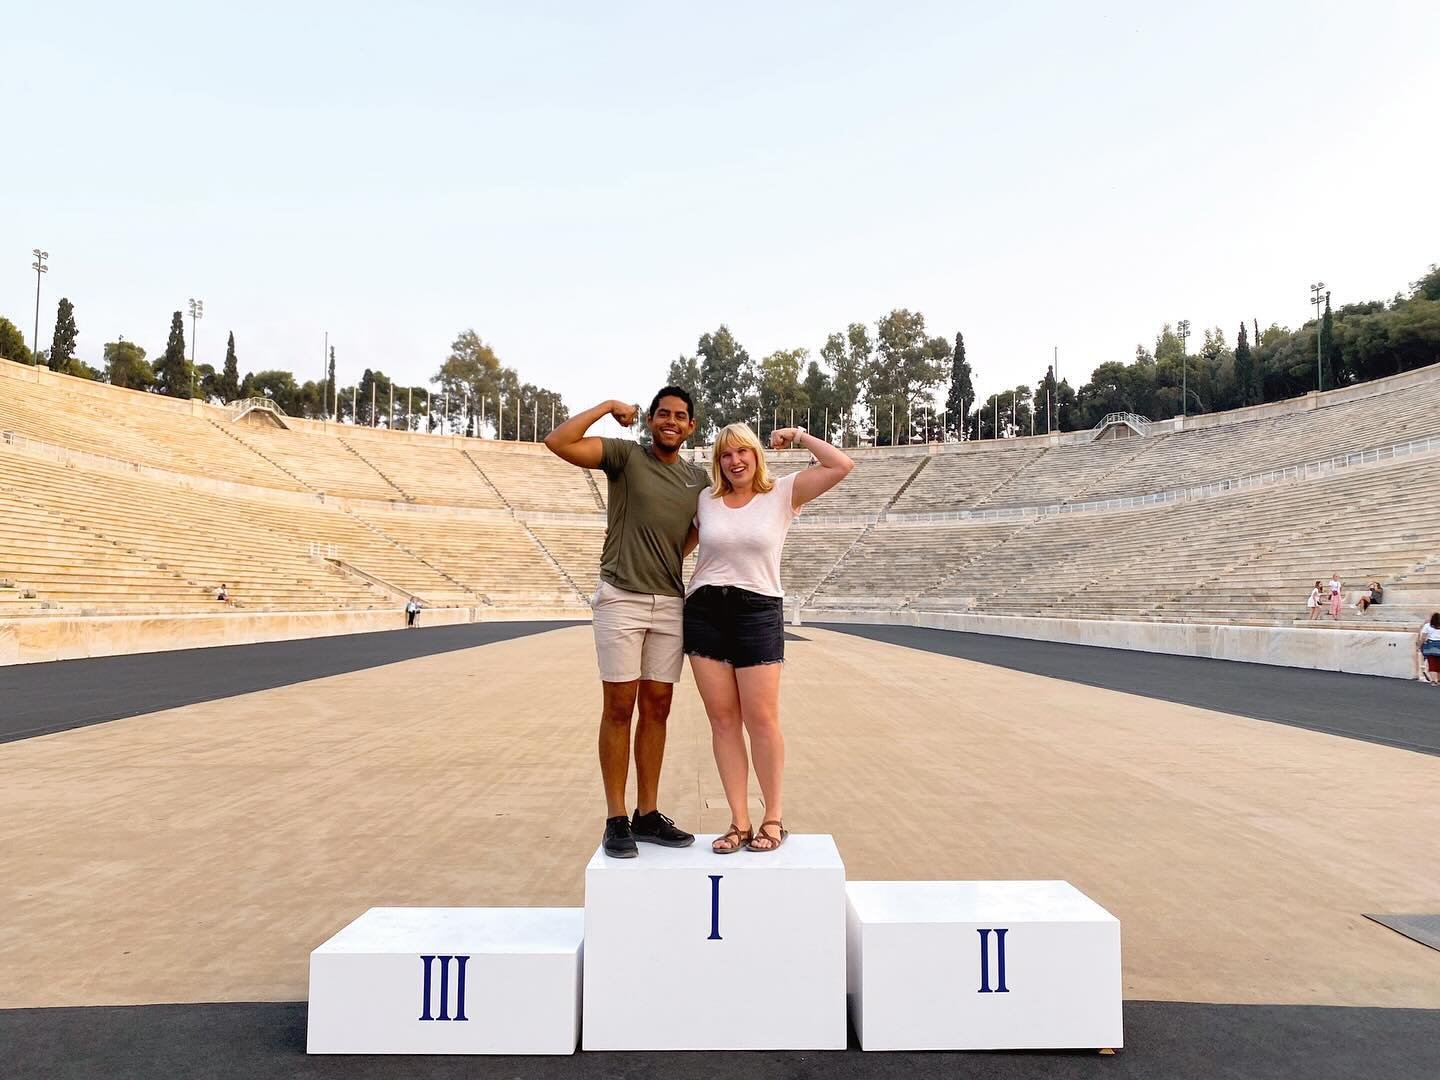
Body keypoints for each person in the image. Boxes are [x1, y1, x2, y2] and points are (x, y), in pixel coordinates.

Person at [543, 387, 707, 858]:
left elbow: (700, 527)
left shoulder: (696, 480)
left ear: (691, 426)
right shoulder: (626, 457)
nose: (670, 421)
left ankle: (647, 813)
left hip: (670, 603)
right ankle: (616, 816)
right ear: (651, 421)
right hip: (621, 598)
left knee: (658, 707)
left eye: (680, 416)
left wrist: (672, 554)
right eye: (662, 414)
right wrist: (606, 407)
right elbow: (559, 441)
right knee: (620, 705)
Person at [686, 423, 853, 855]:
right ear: (717, 462)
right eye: (725, 455)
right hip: (704, 611)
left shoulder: (783, 492)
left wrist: (798, 435)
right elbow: (681, 545)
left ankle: (773, 818)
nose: (735, 461)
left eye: (743, 452)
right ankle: (739, 822)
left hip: (756, 611)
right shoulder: (707, 500)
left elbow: (841, 465)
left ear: (758, 455)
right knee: (723, 721)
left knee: (761, 719)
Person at [1418, 613, 1440, 685]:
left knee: (1432, 663)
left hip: (1431, 645)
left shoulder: (1427, 626)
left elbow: (1423, 637)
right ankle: (1439, 680)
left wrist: (1419, 645)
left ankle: (1434, 681)